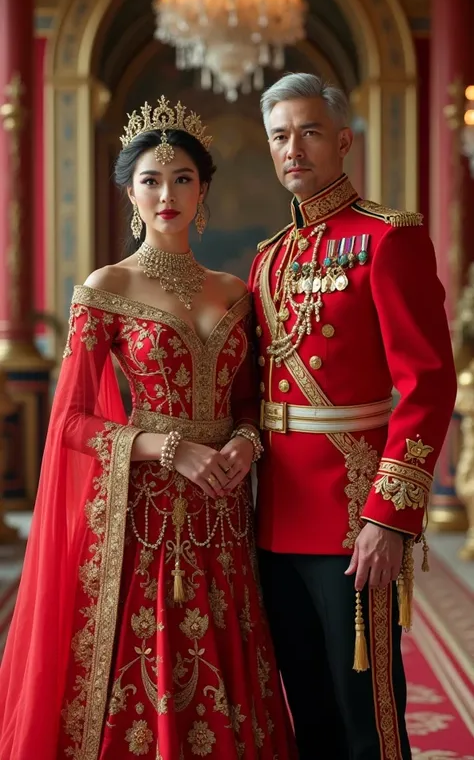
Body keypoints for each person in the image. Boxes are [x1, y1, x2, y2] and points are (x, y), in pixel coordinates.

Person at [0, 96, 297, 760]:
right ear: (130, 192)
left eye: (183, 178)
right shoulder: (106, 286)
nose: (168, 193)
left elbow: (249, 403)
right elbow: (70, 421)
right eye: (151, 180)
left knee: (227, 656)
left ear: (204, 190)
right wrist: (165, 448)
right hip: (147, 513)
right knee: (152, 655)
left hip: (224, 509)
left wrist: (246, 447)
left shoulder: (236, 292)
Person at [248, 73, 457, 760]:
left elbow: (427, 385)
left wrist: (388, 517)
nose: (293, 149)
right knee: (305, 706)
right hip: (275, 517)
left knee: (367, 712)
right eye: (281, 136)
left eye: (309, 132)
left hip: (352, 518)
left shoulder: (386, 240)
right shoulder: (269, 259)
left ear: (342, 141)